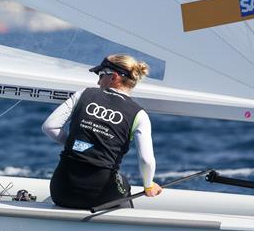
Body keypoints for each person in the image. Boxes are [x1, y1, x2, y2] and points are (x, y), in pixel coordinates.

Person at [42, 54, 163, 210]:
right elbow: (146, 160)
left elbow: (49, 127)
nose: (98, 82)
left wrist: (79, 145)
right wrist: (148, 185)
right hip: (100, 195)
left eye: (100, 75)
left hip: (61, 190)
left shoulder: (84, 94)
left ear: (114, 77)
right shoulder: (139, 115)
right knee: (124, 185)